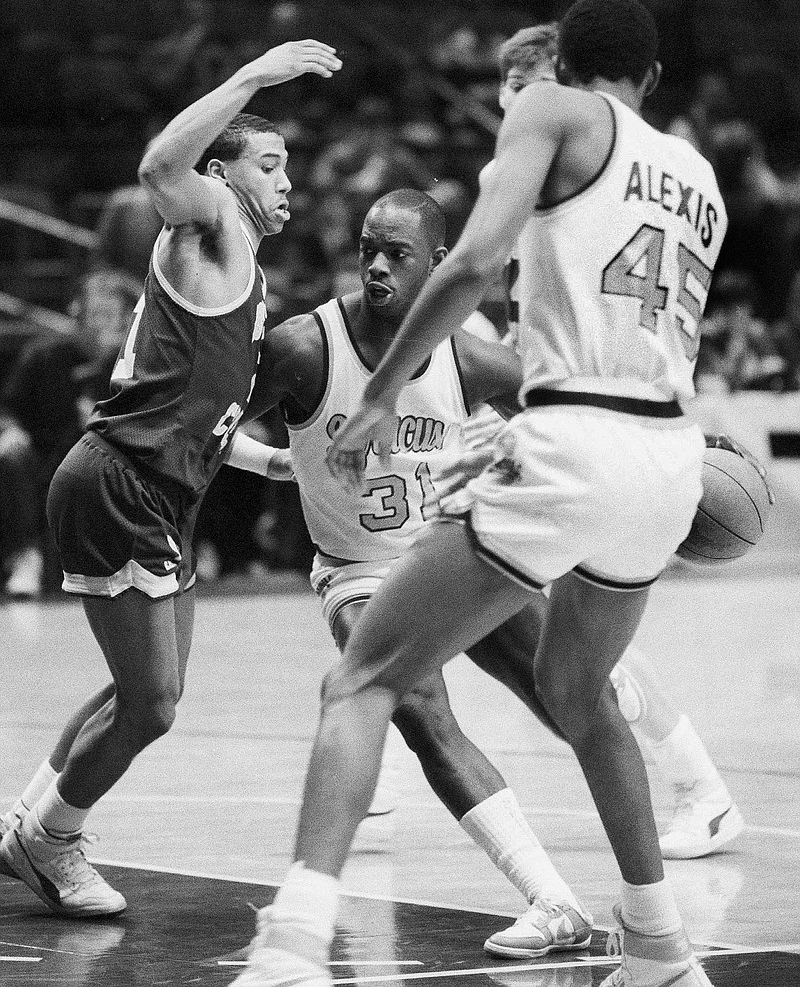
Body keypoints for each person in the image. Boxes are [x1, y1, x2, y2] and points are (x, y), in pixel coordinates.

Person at [230, 0, 728, 987]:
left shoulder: (553, 113)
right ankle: (663, 952)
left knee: (362, 678)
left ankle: (292, 945)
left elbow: (466, 264)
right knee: (577, 696)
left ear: (563, 67)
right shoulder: (698, 174)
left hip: (573, 429)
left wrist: (376, 398)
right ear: (653, 80)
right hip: (668, 453)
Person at [0, 38, 342, 917]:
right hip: (122, 481)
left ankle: (31, 822)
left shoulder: (246, 274)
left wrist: (287, 465)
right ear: (222, 175)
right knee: (152, 706)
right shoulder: (210, 223)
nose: (285, 181)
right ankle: (53, 841)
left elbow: (208, 424)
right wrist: (254, 77)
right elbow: (160, 163)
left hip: (160, 487)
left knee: (141, 691)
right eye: (268, 164)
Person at [226, 187, 593, 958]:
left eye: (398, 253)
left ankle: (667, 840)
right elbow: (204, 424)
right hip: (359, 571)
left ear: (439, 265)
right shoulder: (304, 346)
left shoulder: (469, 356)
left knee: (572, 695)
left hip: (453, 554)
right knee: (421, 709)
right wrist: (270, 464)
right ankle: (554, 899)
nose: (378, 265)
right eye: (368, 248)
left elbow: (564, 408)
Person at [478, 21, 743, 862]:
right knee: (547, 639)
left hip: (580, 426)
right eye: (503, 97)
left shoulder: (562, 148)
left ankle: (697, 789)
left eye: (518, 92)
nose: (508, 111)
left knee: (544, 643)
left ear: (558, 82)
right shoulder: (675, 174)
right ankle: (694, 802)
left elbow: (516, 328)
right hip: (623, 429)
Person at [0, 271, 135, 598]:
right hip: (44, 460)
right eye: (95, 315)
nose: (102, 326)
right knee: (9, 455)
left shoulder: (132, 366)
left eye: (111, 317)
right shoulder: (42, 355)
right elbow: (9, 409)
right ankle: (25, 558)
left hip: (109, 464)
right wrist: (11, 429)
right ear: (77, 313)